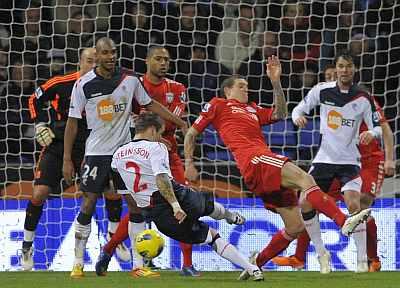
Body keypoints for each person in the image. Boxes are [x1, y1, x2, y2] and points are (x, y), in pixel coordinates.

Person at [184, 55, 371, 280]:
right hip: (255, 160)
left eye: (247, 87)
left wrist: (275, 82)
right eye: (241, 87)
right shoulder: (219, 105)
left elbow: (280, 113)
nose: (246, 90)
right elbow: (192, 133)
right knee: (306, 180)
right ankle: (343, 222)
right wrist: (189, 162)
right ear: (227, 91)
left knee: (295, 226)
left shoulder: (252, 109)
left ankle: (255, 264)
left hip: (259, 169)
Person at [63, 37, 188, 278]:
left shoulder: (130, 79)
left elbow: (150, 104)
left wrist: (179, 122)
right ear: (97, 56)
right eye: (106, 53)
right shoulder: (83, 84)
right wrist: (67, 158)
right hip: (96, 153)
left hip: (124, 153)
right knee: (88, 203)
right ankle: (78, 262)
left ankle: (138, 265)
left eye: (114, 52)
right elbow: (72, 123)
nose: (111, 57)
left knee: (136, 205)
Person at [96, 112, 263, 281]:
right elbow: (161, 178)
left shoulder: (117, 155)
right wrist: (175, 205)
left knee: (210, 236)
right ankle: (230, 219)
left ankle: (251, 267)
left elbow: (121, 187)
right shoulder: (156, 147)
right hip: (175, 196)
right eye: (160, 134)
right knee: (208, 207)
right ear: (153, 130)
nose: (160, 138)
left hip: (155, 210)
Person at [272, 64, 395, 273]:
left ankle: (371, 259)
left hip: (370, 159)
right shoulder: (325, 94)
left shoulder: (364, 98)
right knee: (313, 200)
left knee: (361, 204)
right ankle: (299, 257)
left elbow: (384, 129)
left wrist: (390, 158)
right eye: (331, 74)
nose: (335, 77)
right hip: (339, 159)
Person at [99, 46, 199, 277]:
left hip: (169, 154)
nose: (163, 63)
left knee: (184, 202)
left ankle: (187, 263)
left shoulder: (177, 88)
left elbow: (175, 123)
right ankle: (108, 250)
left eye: (167, 59)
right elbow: (133, 120)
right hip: (139, 155)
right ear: (147, 61)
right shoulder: (133, 86)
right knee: (141, 209)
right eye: (158, 59)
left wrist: (185, 158)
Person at [21, 48, 107, 271]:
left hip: (91, 146)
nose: (93, 66)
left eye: (96, 62)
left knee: (107, 191)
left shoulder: (106, 86)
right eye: (89, 61)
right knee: (39, 194)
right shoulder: (62, 82)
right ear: (80, 62)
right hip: (58, 144)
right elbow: (34, 98)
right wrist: (40, 124)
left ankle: (113, 241)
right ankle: (27, 246)